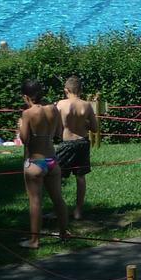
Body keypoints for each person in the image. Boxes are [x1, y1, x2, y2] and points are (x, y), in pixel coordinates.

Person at [19, 80, 70, 249]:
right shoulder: (53, 109)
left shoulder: (28, 114)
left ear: (26, 96)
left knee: (35, 201)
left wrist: (21, 126)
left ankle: (35, 240)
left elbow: (25, 140)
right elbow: (58, 133)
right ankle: (64, 232)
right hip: (52, 161)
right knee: (58, 199)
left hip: (35, 161)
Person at [55, 77, 97, 221]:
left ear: (66, 90)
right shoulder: (87, 105)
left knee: (57, 176)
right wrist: (84, 123)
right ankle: (78, 210)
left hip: (67, 143)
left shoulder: (61, 104)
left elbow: (55, 126)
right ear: (80, 90)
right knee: (80, 176)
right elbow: (95, 128)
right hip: (83, 142)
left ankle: (59, 209)